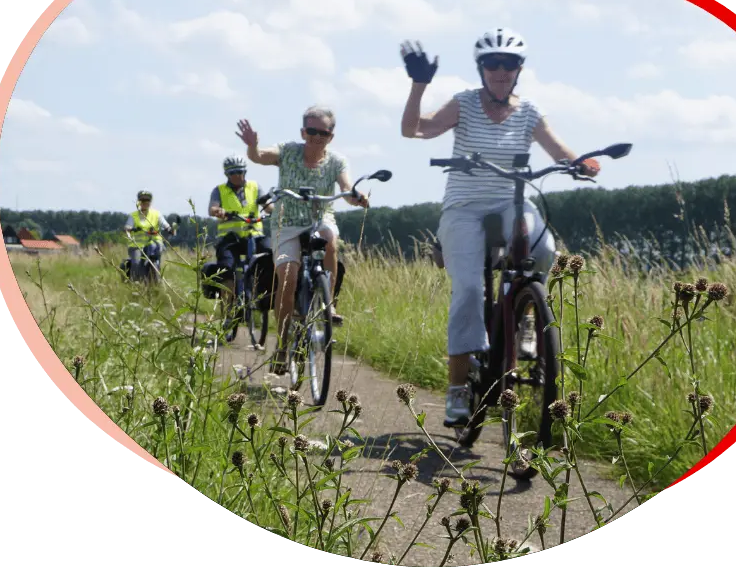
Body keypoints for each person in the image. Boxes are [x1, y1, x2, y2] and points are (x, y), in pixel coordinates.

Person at [399, 28, 602, 428]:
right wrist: (419, 84)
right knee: (469, 289)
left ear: (519, 69)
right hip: (464, 207)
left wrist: (581, 163)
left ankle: (525, 315)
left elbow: (557, 148)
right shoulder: (464, 103)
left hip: (512, 201)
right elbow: (414, 129)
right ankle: (458, 388)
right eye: (492, 63)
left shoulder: (529, 112)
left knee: (543, 248)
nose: (500, 70)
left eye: (508, 63)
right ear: (481, 68)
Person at [235, 105, 369, 373]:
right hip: (286, 223)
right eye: (312, 131)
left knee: (330, 241)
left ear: (331, 136)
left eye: (323, 133)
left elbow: (346, 187)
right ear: (302, 132)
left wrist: (356, 196)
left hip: (320, 218)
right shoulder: (288, 151)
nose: (317, 137)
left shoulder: (337, 161)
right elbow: (259, 156)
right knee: (287, 278)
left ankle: (328, 307)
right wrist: (252, 146)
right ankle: (282, 347)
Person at [207, 155, 273, 339]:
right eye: (234, 172)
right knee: (227, 270)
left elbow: (267, 205)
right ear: (227, 174)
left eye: (241, 171)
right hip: (230, 239)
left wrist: (273, 210)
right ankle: (229, 313)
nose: (238, 175)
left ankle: (263, 297)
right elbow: (212, 208)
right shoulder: (219, 190)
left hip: (254, 235)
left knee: (270, 257)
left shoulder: (254, 187)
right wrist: (219, 211)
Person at [124, 190, 175, 280]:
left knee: (157, 260)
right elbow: (127, 227)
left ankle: (157, 279)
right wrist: (132, 229)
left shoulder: (156, 214)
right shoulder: (133, 215)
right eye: (142, 200)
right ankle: (135, 282)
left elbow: (164, 224)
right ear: (139, 202)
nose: (145, 202)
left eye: (147, 200)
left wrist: (170, 229)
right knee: (137, 263)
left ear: (150, 202)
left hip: (154, 243)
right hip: (137, 245)